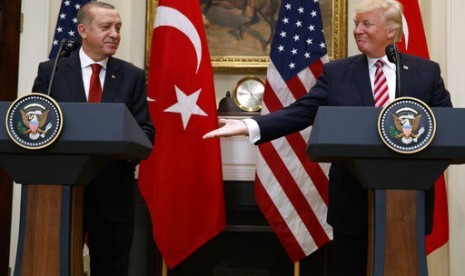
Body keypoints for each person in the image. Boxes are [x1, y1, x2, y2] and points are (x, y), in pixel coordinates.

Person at [203, 0, 451, 275]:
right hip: (352, 202)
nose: (358, 30)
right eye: (356, 23)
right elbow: (303, 110)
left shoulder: (426, 73)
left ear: (391, 31)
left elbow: (445, 128)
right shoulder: (338, 73)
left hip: (407, 203)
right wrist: (250, 125)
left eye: (366, 23)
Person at [31, 2, 155, 275]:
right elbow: (34, 127)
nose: (115, 34)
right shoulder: (51, 72)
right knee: (55, 266)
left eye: (118, 28)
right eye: (106, 27)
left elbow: (146, 133)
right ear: (82, 30)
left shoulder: (131, 76)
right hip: (61, 192)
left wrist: (118, 148)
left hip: (112, 193)